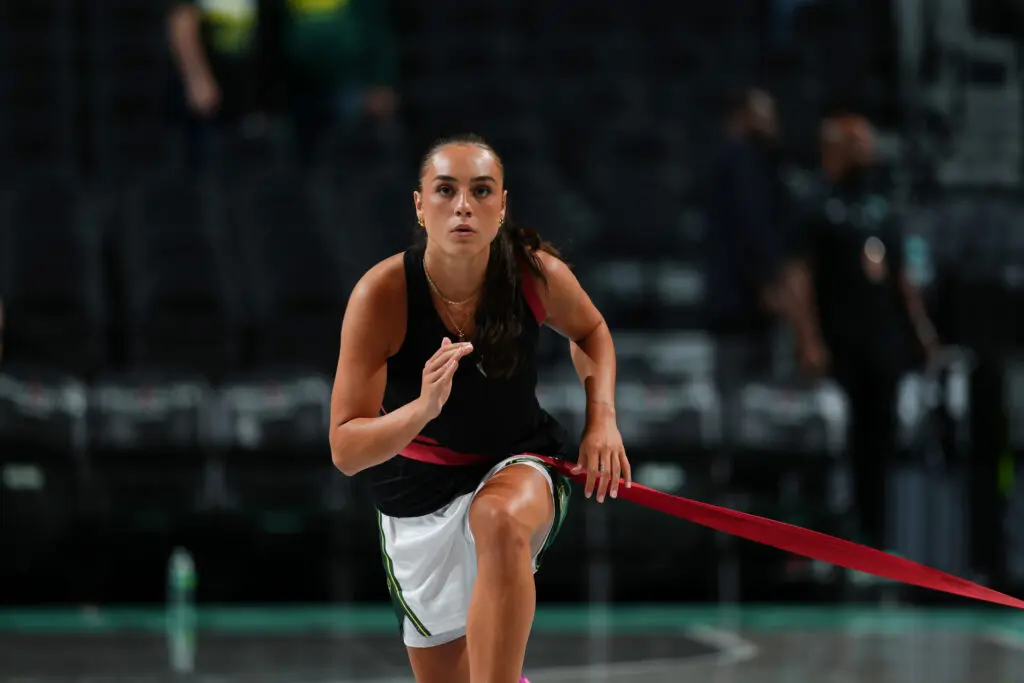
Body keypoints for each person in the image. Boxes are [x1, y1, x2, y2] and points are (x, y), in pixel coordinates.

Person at [328, 134, 631, 683]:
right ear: (420, 207)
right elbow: (346, 451)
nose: (463, 205)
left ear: (502, 206)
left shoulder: (534, 274)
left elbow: (591, 331)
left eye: (480, 190)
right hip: (413, 497)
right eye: (445, 190)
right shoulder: (382, 294)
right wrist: (421, 409)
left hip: (517, 465)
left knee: (496, 518)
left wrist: (602, 417)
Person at [788, 113, 939, 550]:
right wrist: (809, 339)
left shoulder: (881, 206)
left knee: (882, 441)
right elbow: (798, 276)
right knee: (840, 444)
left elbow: (902, 277)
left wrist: (922, 331)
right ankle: (835, 542)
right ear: (832, 148)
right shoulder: (815, 204)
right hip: (838, 345)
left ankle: (878, 542)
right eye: (855, 142)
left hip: (883, 344)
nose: (865, 151)